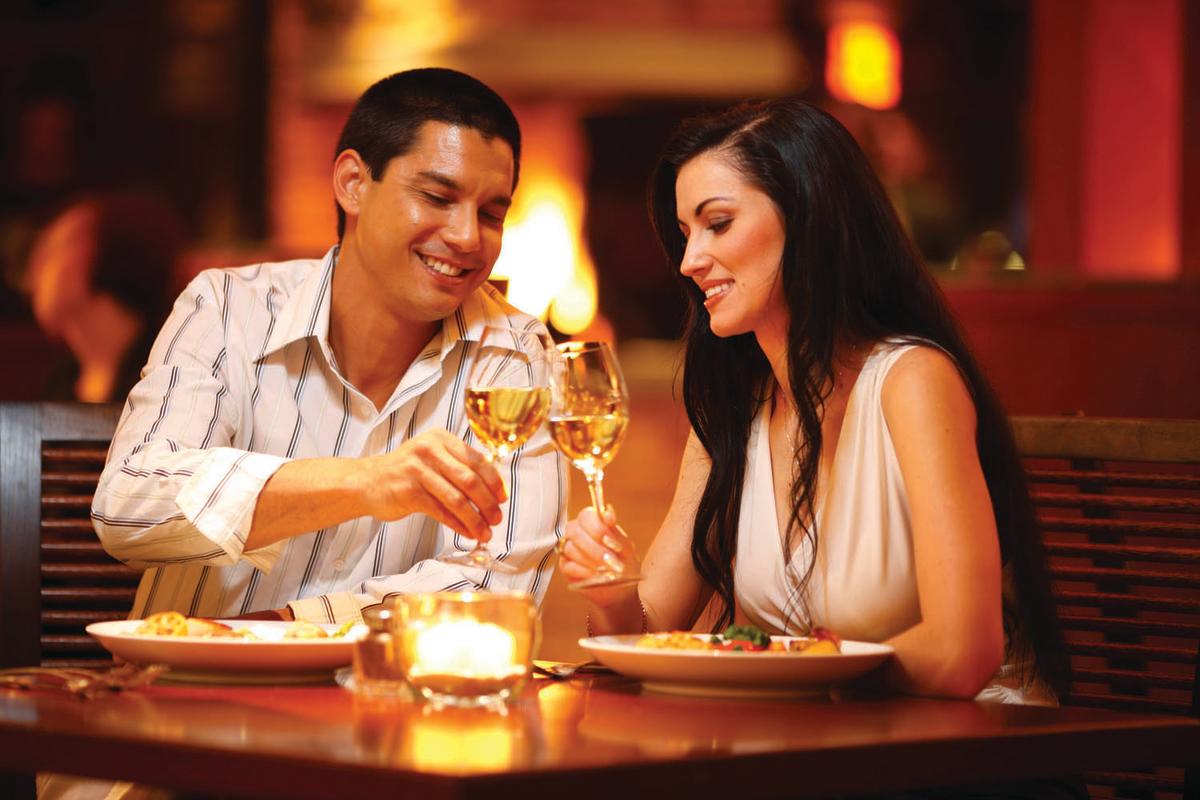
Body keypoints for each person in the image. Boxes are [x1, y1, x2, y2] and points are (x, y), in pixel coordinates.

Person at [558, 100, 1071, 708]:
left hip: (966, 760)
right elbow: (642, 638)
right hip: (819, 750)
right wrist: (614, 591)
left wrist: (797, 673)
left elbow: (963, 652)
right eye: (683, 234)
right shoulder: (733, 412)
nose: (690, 260)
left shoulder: (912, 381)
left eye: (717, 223)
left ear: (808, 220)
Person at [91, 68, 564, 625]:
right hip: (182, 693)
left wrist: (281, 631)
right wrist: (363, 482)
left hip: (389, 702)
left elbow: (499, 587)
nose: (467, 237)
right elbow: (126, 508)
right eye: (438, 197)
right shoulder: (226, 308)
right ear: (353, 183)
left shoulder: (514, 355)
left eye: (491, 213)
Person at [24, 191, 182, 402]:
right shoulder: (60, 382)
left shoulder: (170, 370)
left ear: (111, 254)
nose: (36, 266)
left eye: (58, 246)